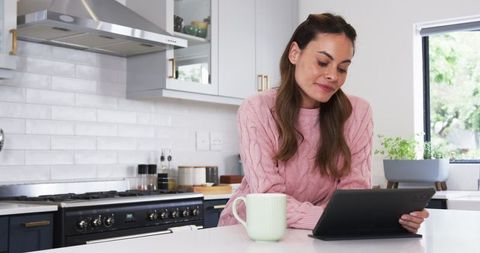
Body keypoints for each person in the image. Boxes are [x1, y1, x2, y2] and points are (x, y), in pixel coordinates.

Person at [218, 13, 429, 232]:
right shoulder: (256, 109)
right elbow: (269, 198)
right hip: (250, 232)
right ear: (294, 54)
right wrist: (345, 218)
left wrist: (392, 219)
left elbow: (353, 194)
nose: (333, 76)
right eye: (323, 62)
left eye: (342, 68)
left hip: (317, 233)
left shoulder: (358, 112)